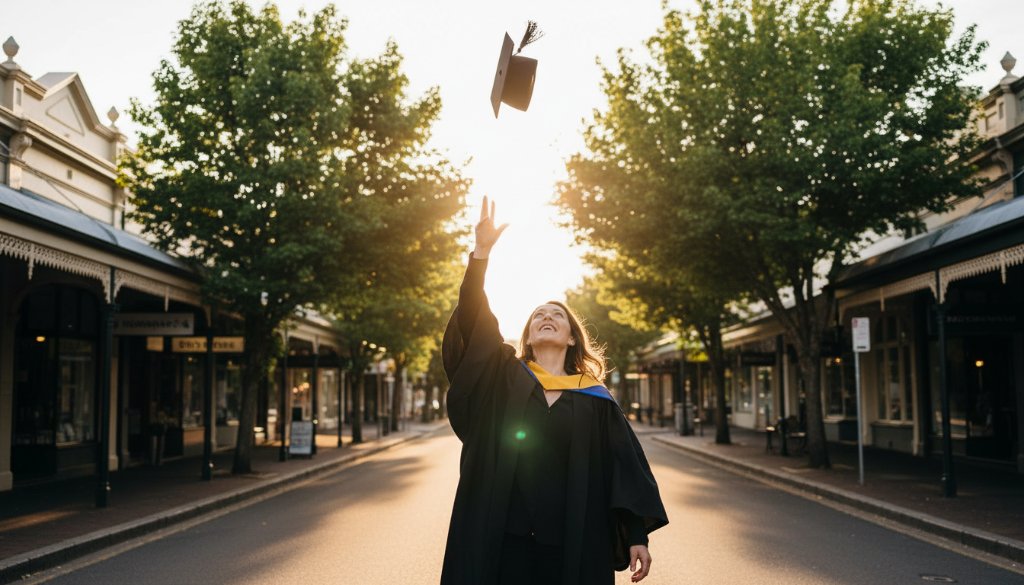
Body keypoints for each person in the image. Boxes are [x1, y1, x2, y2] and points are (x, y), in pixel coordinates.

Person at [440, 197, 668, 585]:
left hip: (571, 541)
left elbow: (623, 468)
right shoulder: (503, 376)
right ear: (528, 336)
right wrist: (480, 256)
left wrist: (636, 536)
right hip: (504, 539)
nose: (547, 317)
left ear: (572, 339)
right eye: (538, 316)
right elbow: (472, 322)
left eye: (556, 315)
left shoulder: (594, 398)